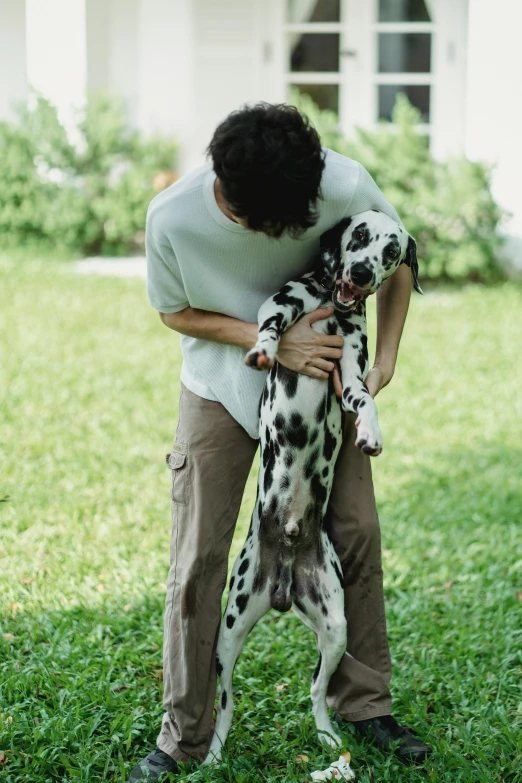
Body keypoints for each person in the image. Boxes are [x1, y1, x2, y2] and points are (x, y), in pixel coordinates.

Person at [128, 103, 431, 781]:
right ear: (230, 198)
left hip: (320, 389)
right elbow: (171, 310)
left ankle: (365, 706)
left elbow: (401, 252)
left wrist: (385, 359)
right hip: (220, 386)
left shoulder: (341, 182)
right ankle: (184, 731)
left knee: (356, 531)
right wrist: (268, 340)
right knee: (198, 555)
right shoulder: (173, 216)